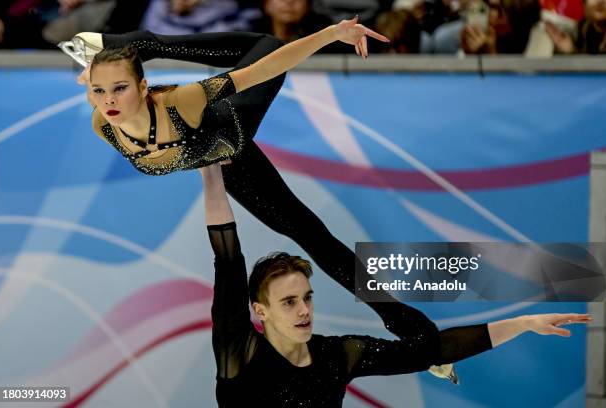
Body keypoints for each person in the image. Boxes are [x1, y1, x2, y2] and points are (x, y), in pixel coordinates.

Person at [62, 19, 458, 374]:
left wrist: (330, 35)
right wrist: (97, 79)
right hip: (232, 164)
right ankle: (420, 336)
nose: (109, 100)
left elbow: (264, 68)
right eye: (99, 90)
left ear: (142, 86)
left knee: (265, 45)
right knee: (312, 237)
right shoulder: (103, 123)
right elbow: (103, 92)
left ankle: (138, 42)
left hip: (236, 118)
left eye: (120, 88)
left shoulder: (182, 102)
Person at [199, 161, 591, 407]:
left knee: (422, 345)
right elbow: (227, 256)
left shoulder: (336, 357)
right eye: (288, 302)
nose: (304, 310)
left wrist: (524, 324)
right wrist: (210, 170)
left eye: (307, 298)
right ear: (259, 310)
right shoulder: (239, 349)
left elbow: (435, 349)